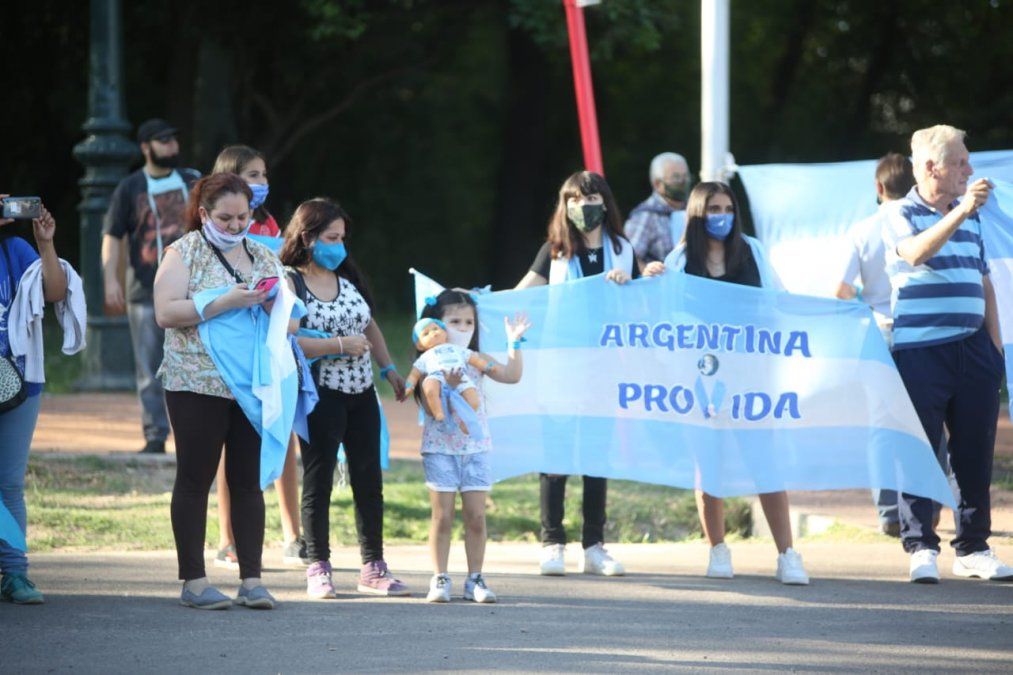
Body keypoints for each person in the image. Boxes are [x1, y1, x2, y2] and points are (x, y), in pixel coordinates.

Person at [645, 181, 809, 585]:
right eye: (713, 209)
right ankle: (717, 548)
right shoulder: (681, 259)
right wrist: (652, 279)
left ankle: (787, 554)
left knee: (765, 464)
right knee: (709, 465)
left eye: (728, 207)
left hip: (752, 378)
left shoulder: (752, 251)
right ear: (697, 215)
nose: (722, 216)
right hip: (702, 382)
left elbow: (778, 302)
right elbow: (664, 319)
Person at [882, 124, 1012, 583]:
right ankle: (920, 546)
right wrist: (960, 213)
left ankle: (973, 546)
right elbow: (916, 253)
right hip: (921, 350)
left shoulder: (970, 214)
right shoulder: (899, 212)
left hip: (974, 348)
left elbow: (983, 281)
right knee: (919, 449)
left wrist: (993, 348)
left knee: (974, 451)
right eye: (960, 162)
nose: (968, 170)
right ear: (932, 167)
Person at [153, 173, 283, 609]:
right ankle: (193, 581)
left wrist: (275, 305)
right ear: (204, 214)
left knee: (248, 483)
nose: (234, 225)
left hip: (251, 384)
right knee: (195, 477)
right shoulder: (184, 250)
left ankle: (252, 581)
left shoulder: (264, 256)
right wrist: (222, 300)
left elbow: (291, 322)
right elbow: (166, 312)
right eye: (225, 217)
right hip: (196, 381)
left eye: (242, 217)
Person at [279, 198, 410, 598]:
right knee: (317, 481)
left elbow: (370, 328)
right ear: (308, 237)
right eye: (331, 238)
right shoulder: (291, 281)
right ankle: (317, 565)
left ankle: (373, 566)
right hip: (321, 395)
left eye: (342, 238)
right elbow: (287, 338)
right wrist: (336, 345)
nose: (339, 246)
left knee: (369, 481)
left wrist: (389, 369)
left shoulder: (347, 281)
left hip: (362, 392)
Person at [516, 170, 635, 577]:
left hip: (605, 367)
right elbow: (520, 296)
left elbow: (641, 308)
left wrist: (636, 284)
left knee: (596, 455)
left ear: (605, 202)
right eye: (576, 200)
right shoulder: (553, 252)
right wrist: (475, 303)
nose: (585, 207)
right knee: (557, 455)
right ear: (564, 207)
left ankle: (595, 544)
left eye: (592, 199)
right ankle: (553, 542)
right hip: (560, 366)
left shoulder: (622, 250)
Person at [210, 145, 304, 569]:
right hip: (231, 350)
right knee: (232, 449)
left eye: (264, 175)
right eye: (252, 175)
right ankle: (228, 538)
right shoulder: (208, 232)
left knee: (283, 434)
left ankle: (292, 533)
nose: (261, 184)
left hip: (272, 344)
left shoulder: (267, 223)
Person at [412, 290, 530, 603]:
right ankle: (439, 578)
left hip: (476, 449)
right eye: (455, 321)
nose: (463, 327)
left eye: (469, 322)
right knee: (443, 517)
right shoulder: (428, 364)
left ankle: (475, 579)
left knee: (476, 516)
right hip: (440, 449)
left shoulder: (476, 360)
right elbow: (427, 400)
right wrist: (447, 386)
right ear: (437, 324)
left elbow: (512, 375)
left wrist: (514, 342)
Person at [834, 153, 922, 537]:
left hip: (877, 330)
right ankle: (927, 505)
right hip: (921, 329)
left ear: (878, 187)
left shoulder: (863, 229)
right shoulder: (924, 223)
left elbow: (840, 289)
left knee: (881, 424)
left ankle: (888, 511)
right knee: (926, 421)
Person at [103, 119, 201, 454]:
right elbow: (112, 236)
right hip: (144, 290)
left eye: (173, 140)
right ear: (146, 147)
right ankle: (155, 435)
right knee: (148, 368)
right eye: (163, 141)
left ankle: (194, 432)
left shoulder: (192, 181)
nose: (172, 146)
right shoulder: (130, 187)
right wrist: (110, 280)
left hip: (194, 289)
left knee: (196, 361)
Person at [0, 200, 70, 604]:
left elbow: (53, 291)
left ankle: (14, 573)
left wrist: (45, 244)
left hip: (18, 380)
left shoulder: (14, 249)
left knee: (8, 482)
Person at [624, 152, 693, 268]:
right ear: (657, 184)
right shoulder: (646, 215)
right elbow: (629, 257)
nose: (683, 181)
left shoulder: (693, 209)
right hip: (661, 283)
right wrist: (648, 271)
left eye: (685, 176)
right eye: (676, 177)